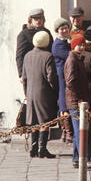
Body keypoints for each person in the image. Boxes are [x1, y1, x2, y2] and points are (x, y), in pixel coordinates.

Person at [64, 36, 91, 168]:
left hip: (77, 100)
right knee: (81, 131)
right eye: (79, 45)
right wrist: (79, 99)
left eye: (83, 45)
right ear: (73, 46)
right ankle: (85, 159)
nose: (82, 47)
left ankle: (76, 158)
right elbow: (71, 81)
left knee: (78, 130)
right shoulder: (73, 59)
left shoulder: (77, 58)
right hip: (76, 101)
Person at [22, 31, 58, 159]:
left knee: (33, 121)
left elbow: (24, 77)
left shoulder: (27, 56)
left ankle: (33, 148)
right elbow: (51, 77)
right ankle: (42, 149)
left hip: (31, 93)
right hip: (44, 93)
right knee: (44, 120)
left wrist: (26, 93)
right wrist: (56, 91)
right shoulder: (48, 56)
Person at [52, 18, 74, 144]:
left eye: (66, 28)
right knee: (64, 102)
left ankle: (67, 133)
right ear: (58, 31)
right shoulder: (58, 44)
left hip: (67, 74)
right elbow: (69, 56)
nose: (65, 30)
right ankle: (67, 132)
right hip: (62, 75)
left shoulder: (65, 41)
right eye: (62, 29)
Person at [16, 9, 54, 82]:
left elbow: (51, 49)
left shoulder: (47, 32)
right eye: (35, 19)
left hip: (45, 69)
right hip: (31, 70)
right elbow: (19, 55)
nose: (38, 21)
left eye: (40, 18)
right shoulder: (24, 34)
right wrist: (21, 74)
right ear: (30, 20)